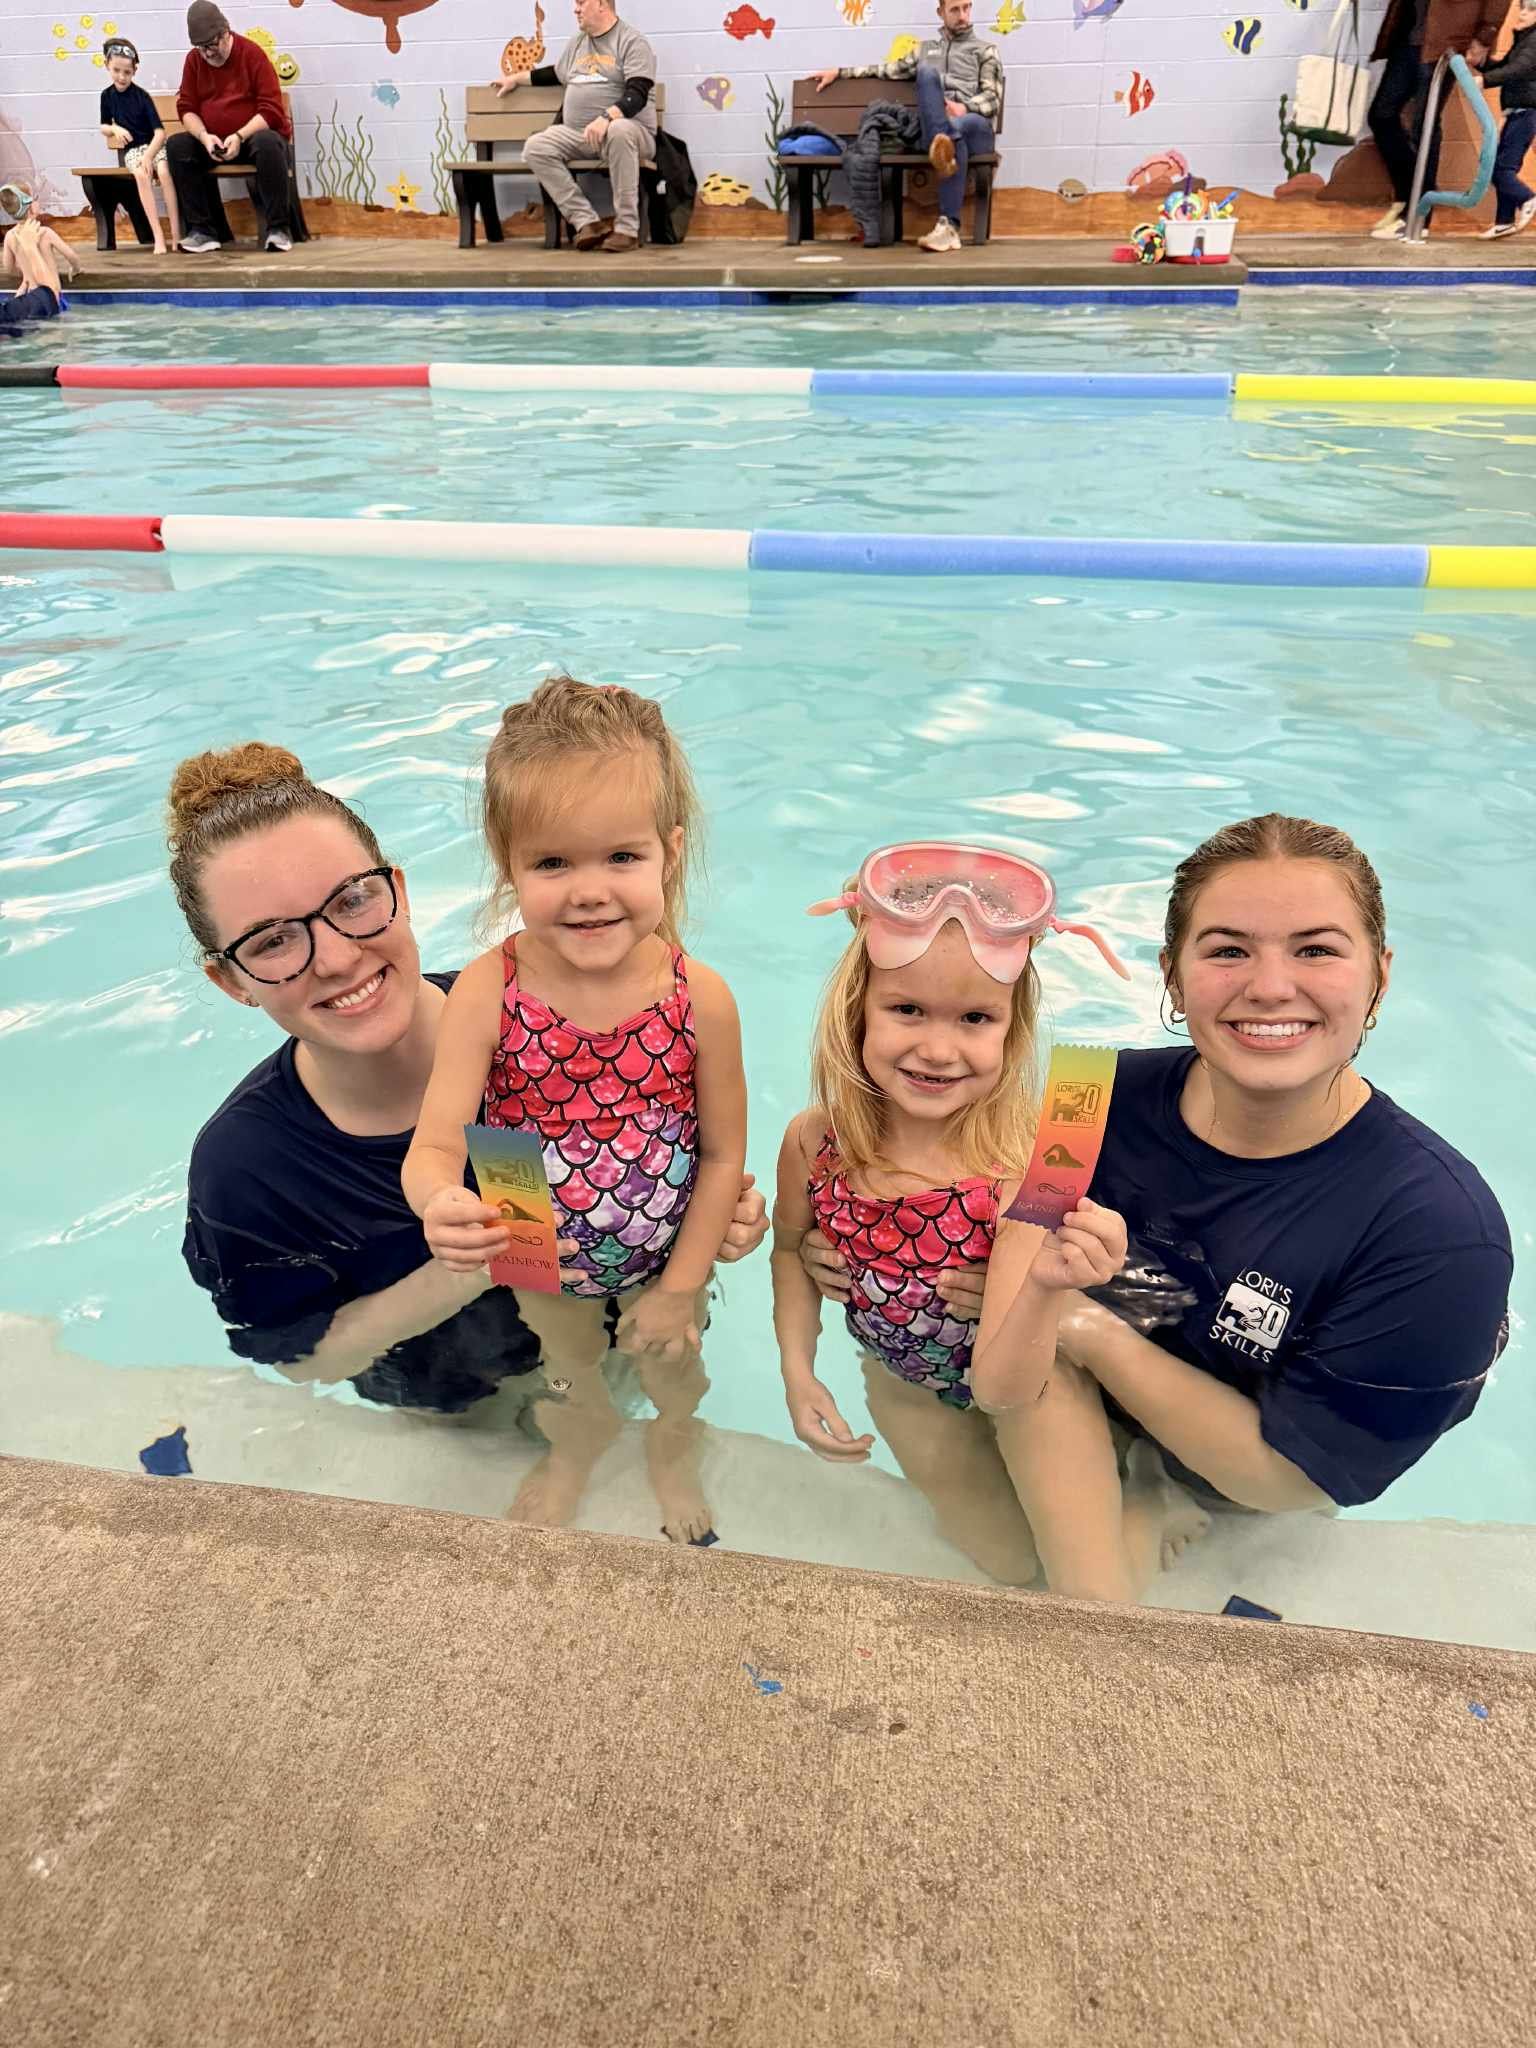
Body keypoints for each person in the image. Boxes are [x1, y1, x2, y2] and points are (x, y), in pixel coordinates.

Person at [800, 816, 1512, 1530]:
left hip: (1224, 1495)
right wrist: (841, 1244)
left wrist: (1075, 1323)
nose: (1269, 986)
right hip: (1041, 1410)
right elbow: (969, 1205)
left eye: (1316, 950)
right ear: (1171, 973)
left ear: (1380, 977)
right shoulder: (1087, 1093)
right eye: (1228, 950)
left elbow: (1293, 1479)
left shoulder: (1439, 1233)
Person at [168, 741, 766, 1430]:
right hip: (457, 1406)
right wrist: (479, 1262)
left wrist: (712, 1215)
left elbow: (679, 1153)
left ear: (399, 890)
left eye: (352, 901)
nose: (335, 957)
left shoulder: (545, 1024)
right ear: (231, 981)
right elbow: (302, 1361)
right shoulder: (246, 1168)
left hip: (629, 1340)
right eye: (272, 941)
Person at [771, 843, 1214, 1605]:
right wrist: (797, 1367)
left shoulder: (1025, 1173)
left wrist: (1041, 1282)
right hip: (906, 1385)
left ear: (1010, 1036)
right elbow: (786, 1249)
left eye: (975, 1018)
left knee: (1096, 1597)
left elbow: (1007, 1390)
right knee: (1010, 1568)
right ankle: (1111, 1483)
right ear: (857, 1012)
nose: (937, 1048)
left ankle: (1143, 1493)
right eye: (906, 1009)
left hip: (1034, 1386)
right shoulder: (814, 1141)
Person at [402, 678, 748, 1546]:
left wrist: (680, 1286)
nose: (589, 890)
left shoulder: (699, 996)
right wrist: (439, 1201)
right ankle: (579, 1439)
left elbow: (719, 1157)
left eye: (621, 858)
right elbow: (436, 1142)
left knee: (674, 1362)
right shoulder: (489, 987)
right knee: (568, 1363)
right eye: (553, 863)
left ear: (669, 851)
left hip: (661, 1236)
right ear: (509, 863)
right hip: (525, 1212)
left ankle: (674, 1444)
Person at [813, 0, 1003, 254]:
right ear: (941, 13)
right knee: (926, 74)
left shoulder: (985, 50)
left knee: (957, 129)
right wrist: (841, 72)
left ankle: (944, 141)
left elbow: (992, 98)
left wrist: (965, 107)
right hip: (938, 128)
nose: (963, 16)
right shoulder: (923, 51)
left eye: (967, 8)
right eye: (955, 10)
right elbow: (886, 70)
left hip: (974, 125)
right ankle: (948, 228)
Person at [496, 1, 658, 254]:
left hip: (629, 133)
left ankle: (627, 230)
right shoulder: (578, 43)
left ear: (603, 5)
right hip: (581, 134)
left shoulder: (632, 41)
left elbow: (638, 92)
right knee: (536, 146)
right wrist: (516, 79)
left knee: (619, 129)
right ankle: (587, 222)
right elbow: (555, 74)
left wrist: (606, 118)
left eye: (582, 2)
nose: (576, 9)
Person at [166, 2, 296, 255]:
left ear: (226, 33)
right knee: (178, 145)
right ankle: (204, 231)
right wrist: (204, 137)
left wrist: (239, 135)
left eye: (212, 46)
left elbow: (271, 109)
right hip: (214, 142)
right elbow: (187, 108)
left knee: (268, 142)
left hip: (250, 138)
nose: (207, 54)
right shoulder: (194, 61)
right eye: (202, 48)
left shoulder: (252, 54)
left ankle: (278, 229)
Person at [1367, 0, 1502, 240]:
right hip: (1409, 36)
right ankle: (1408, 194)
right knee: (1381, 115)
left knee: (1424, 125)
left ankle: (1419, 216)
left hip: (1446, 40)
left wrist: (1484, 36)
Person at [99, 37, 179, 258]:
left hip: (153, 146)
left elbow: (160, 132)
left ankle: (176, 234)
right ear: (107, 65)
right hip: (133, 151)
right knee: (142, 176)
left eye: (127, 72)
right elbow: (103, 126)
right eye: (116, 70)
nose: (121, 77)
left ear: (134, 70)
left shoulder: (141, 96)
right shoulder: (106, 96)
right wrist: (114, 130)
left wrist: (150, 155)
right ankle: (158, 236)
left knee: (163, 172)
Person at [1474, 3, 1536, 237]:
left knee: (1500, 169)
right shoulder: (1525, 39)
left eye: (1530, 10)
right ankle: (1504, 220)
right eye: (1523, 8)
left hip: (1526, 111)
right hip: (1518, 111)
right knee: (1502, 166)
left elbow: (1520, 68)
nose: (1522, 13)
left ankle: (1527, 198)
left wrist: (1486, 80)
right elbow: (1506, 66)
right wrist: (1481, 63)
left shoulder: (1534, 40)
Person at [1, 188, 79, 329]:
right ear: (30, 206)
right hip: (52, 298)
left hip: (29, 295)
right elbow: (71, 255)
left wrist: (25, 275)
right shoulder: (45, 233)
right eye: (35, 197)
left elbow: (8, 267)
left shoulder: (10, 236)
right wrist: (76, 268)